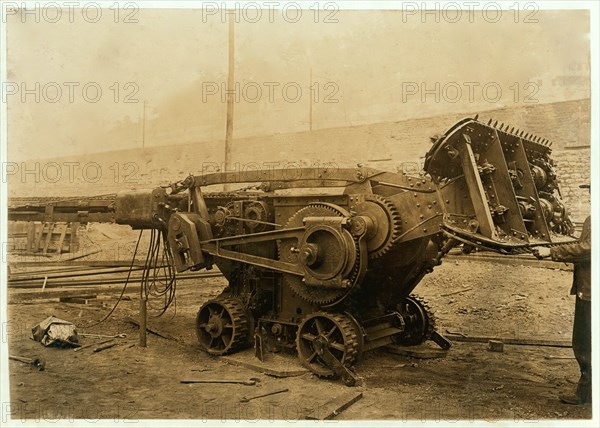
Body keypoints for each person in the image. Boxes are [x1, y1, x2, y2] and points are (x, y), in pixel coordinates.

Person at [534, 183, 591, 405]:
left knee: (584, 341)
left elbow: (587, 249)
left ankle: (585, 393)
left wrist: (551, 251)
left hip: (591, 291)